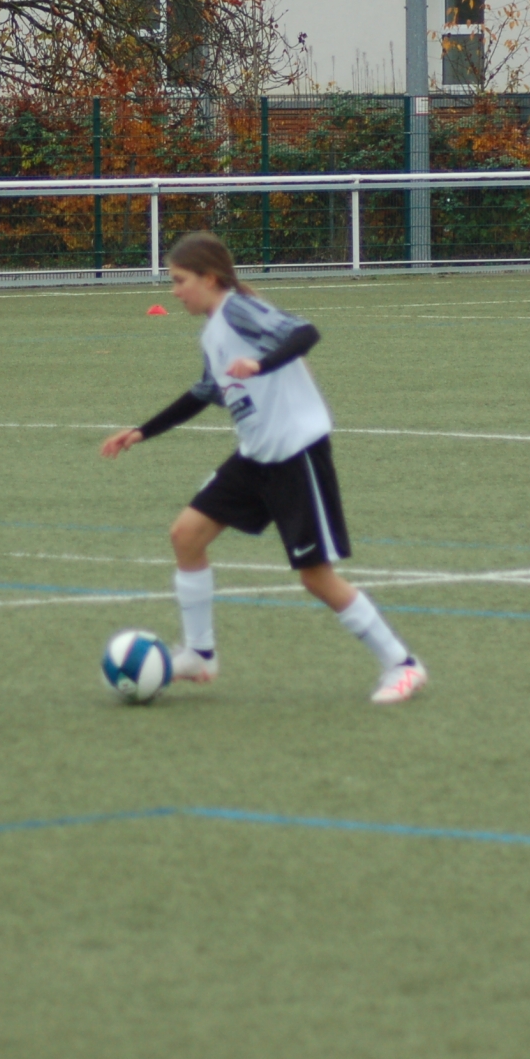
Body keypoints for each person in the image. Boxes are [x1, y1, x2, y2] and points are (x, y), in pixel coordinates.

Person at [101, 232, 427, 705]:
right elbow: (203, 393)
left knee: (316, 578)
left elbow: (305, 333)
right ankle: (199, 654)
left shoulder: (238, 310)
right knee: (186, 535)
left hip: (296, 455)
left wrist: (262, 365)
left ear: (210, 278)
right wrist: (141, 431)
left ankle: (402, 664)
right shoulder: (213, 331)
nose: (174, 291)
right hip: (255, 457)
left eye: (180, 280)